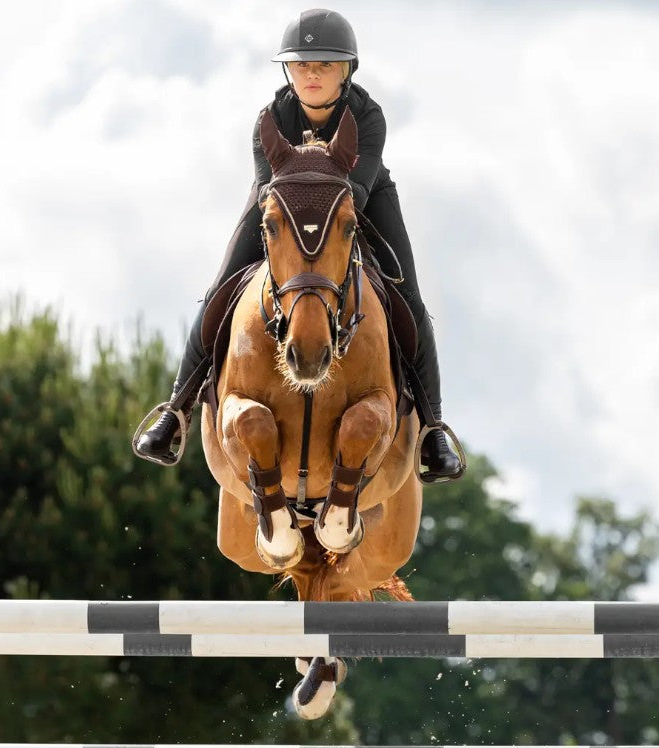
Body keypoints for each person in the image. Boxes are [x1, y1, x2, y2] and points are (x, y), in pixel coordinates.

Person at [134, 8, 462, 481]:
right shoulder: (270, 119)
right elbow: (271, 190)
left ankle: (432, 429)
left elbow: (356, 190)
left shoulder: (368, 117)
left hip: (359, 201)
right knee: (223, 284)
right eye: (302, 64)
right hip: (282, 203)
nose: (311, 74)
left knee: (407, 295)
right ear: (288, 69)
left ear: (347, 70)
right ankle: (177, 410)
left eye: (325, 65)